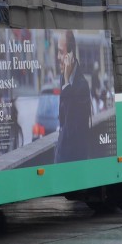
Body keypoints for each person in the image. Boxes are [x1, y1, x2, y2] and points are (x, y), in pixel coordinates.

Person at [54, 29, 93, 164]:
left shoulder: (81, 85)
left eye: (60, 51)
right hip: (62, 157)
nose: (58, 57)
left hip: (73, 160)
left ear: (70, 54)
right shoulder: (62, 78)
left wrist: (66, 85)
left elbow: (71, 131)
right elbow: (62, 122)